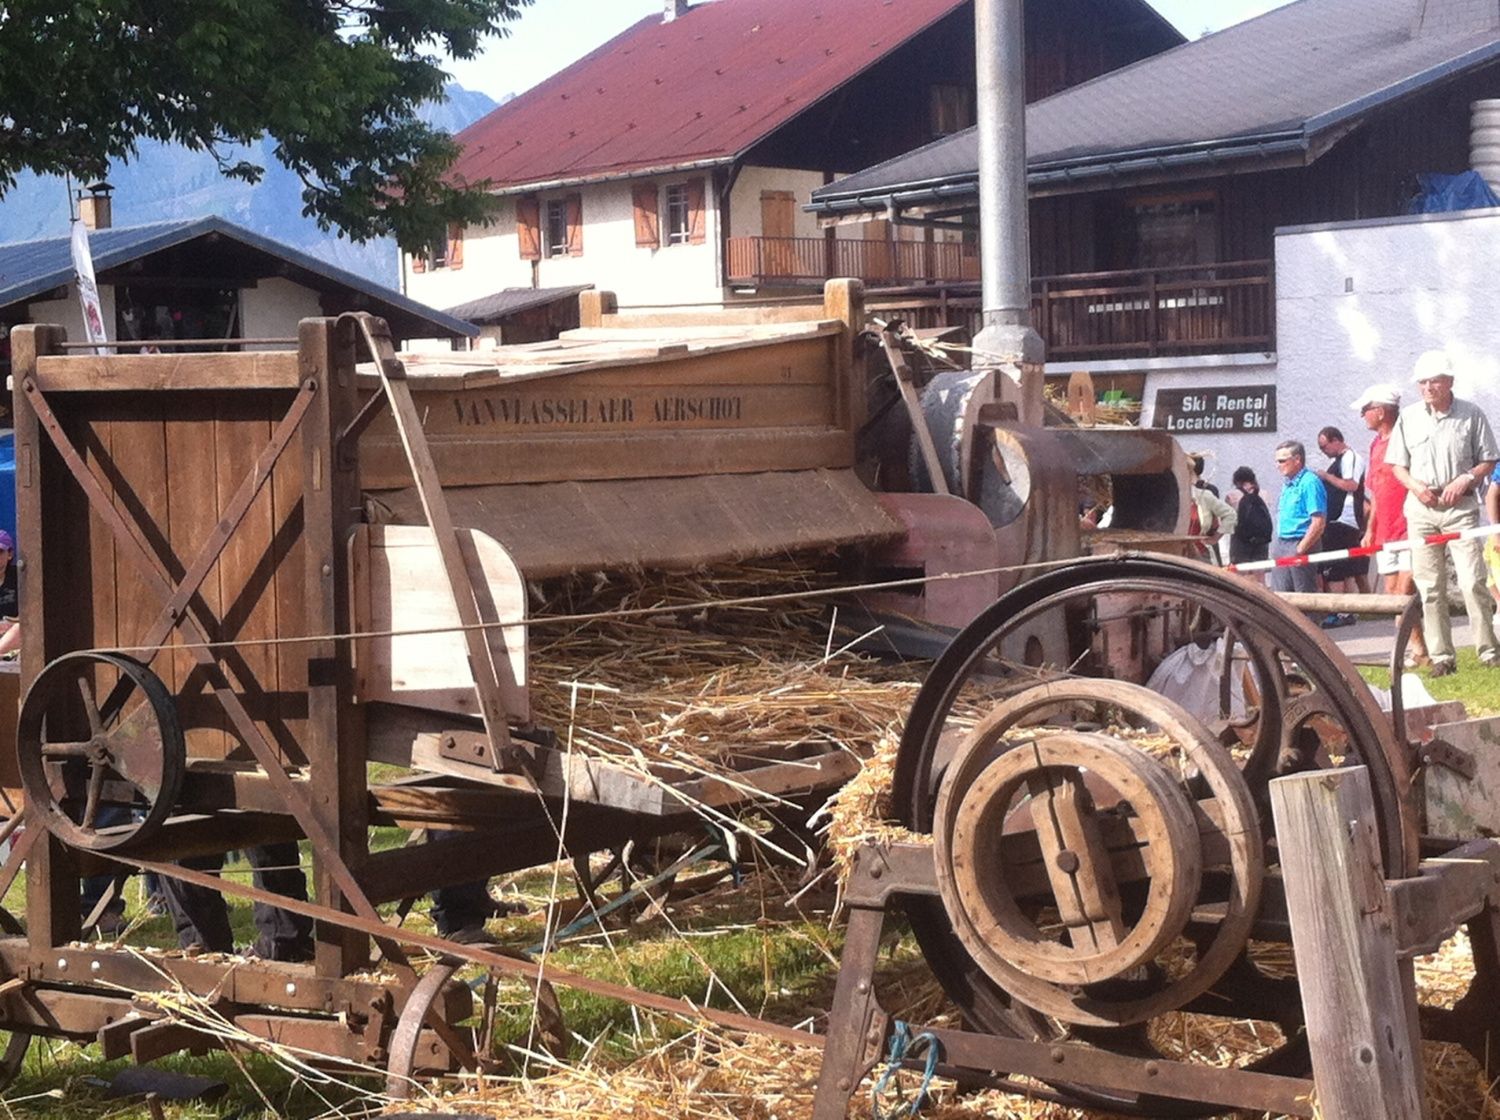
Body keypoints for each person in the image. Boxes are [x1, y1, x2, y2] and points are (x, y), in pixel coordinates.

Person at [1385, 350, 1500, 676]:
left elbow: (1488, 459)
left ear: (1449, 382)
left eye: (1434, 381)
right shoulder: (1408, 417)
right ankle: (1442, 657)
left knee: (1472, 581)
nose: (1427, 387)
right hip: (1421, 509)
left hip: (1460, 507)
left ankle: (1488, 651)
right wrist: (1415, 487)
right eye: (1422, 382)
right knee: (1429, 588)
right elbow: (1397, 465)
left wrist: (1466, 477)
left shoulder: (1471, 414)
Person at [1356, 383, 1429, 666]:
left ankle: (1418, 649)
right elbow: (1375, 491)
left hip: (1409, 526)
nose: (1363, 416)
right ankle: (1417, 648)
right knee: (1391, 594)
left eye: (1366, 410)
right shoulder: (1375, 445)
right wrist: (1370, 529)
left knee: (1404, 592)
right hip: (1385, 530)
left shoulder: (1408, 438)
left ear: (1380, 411)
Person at [1311, 425, 1369, 624]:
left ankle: (1341, 612)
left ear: (1336, 440)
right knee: (1340, 568)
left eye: (1324, 446)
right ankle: (1344, 610)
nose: (1323, 451)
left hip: (1343, 519)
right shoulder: (1339, 460)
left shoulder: (1350, 458)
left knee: (1336, 569)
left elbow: (1351, 484)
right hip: (1336, 520)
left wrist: (1326, 476)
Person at [1269, 440, 1326, 593]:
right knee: (1280, 596)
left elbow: (1318, 522)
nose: (1277, 465)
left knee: (1303, 595)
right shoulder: (1288, 483)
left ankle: (1310, 618)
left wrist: (1301, 549)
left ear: (1297, 460)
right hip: (1282, 543)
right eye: (1277, 461)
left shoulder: (1310, 482)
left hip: (1300, 542)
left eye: (1282, 461)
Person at [1187, 454, 1236, 564]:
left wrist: (1215, 538)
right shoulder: (1169, 498)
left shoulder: (1204, 495)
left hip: (1201, 555)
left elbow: (1230, 515)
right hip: (1174, 556)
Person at [1228, 467, 1273, 575]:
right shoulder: (1265, 494)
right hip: (1261, 540)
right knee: (1259, 574)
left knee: (1239, 575)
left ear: (1236, 480)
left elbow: (1228, 519)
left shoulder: (1231, 496)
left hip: (1240, 541)